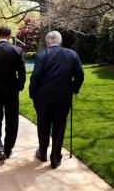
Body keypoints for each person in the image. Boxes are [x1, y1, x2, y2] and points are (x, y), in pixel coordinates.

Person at [29, 31, 84, 169]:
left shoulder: (42, 54)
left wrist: (32, 92)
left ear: (48, 42)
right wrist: (73, 89)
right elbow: (80, 75)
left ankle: (42, 152)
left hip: (43, 97)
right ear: (60, 41)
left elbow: (35, 76)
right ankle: (55, 158)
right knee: (59, 126)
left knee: (43, 125)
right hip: (63, 96)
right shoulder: (72, 54)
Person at [0, 26, 26, 162]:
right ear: (10, 36)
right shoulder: (17, 50)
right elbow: (22, 72)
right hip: (12, 91)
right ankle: (8, 149)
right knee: (12, 120)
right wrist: (19, 86)